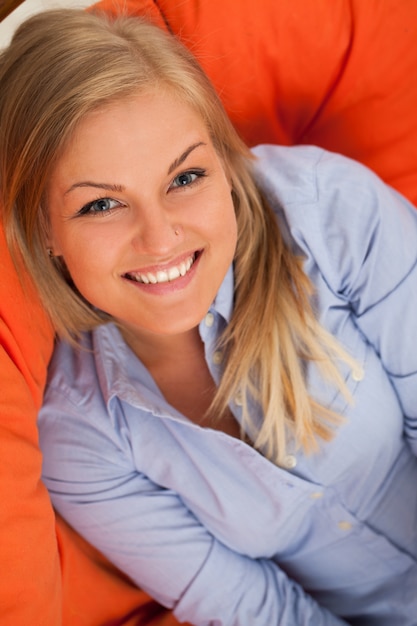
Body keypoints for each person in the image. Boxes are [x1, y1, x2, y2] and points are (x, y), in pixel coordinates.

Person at [1, 8, 416, 625]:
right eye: (103, 203)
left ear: (222, 163)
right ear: (44, 229)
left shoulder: (328, 212)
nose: (161, 237)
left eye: (185, 177)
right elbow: (260, 611)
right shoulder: (84, 437)